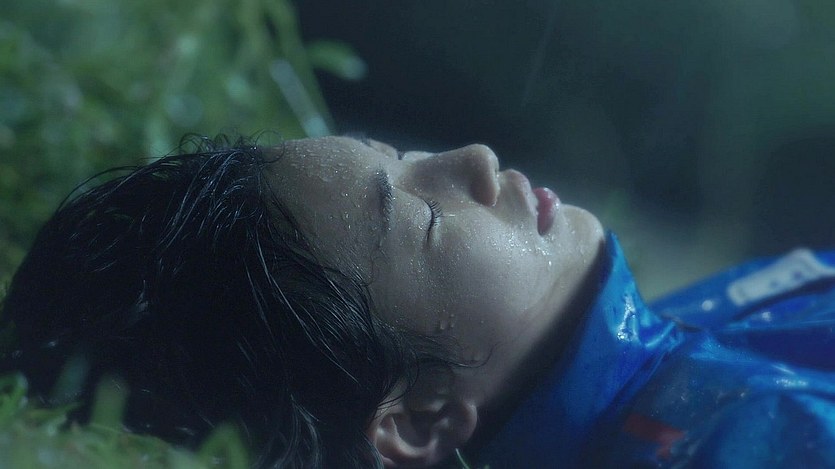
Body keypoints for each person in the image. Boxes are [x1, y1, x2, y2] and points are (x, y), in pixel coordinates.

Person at [2, 134, 834, 468]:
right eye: (426, 218)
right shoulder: (745, 442)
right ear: (416, 417)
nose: (475, 158)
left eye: (405, 156)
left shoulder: (679, 361)